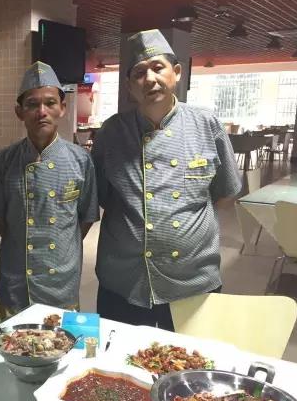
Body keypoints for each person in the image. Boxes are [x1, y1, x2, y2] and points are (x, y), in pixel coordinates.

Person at [91, 29, 242, 330]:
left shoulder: (207, 125)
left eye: (158, 67)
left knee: (189, 358)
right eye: (139, 73)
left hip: (192, 280)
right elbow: (103, 196)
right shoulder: (111, 132)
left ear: (177, 73)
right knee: (121, 357)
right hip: (125, 280)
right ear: (129, 86)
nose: (150, 79)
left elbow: (225, 193)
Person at [0, 61, 99, 315]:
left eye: (50, 103)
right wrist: (20, 240)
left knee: (62, 340)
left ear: (62, 108)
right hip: (16, 278)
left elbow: (87, 217)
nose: (41, 112)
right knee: (14, 340)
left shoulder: (81, 160)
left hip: (62, 279)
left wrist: (62, 244)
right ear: (19, 112)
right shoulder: (3, 161)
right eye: (32, 104)